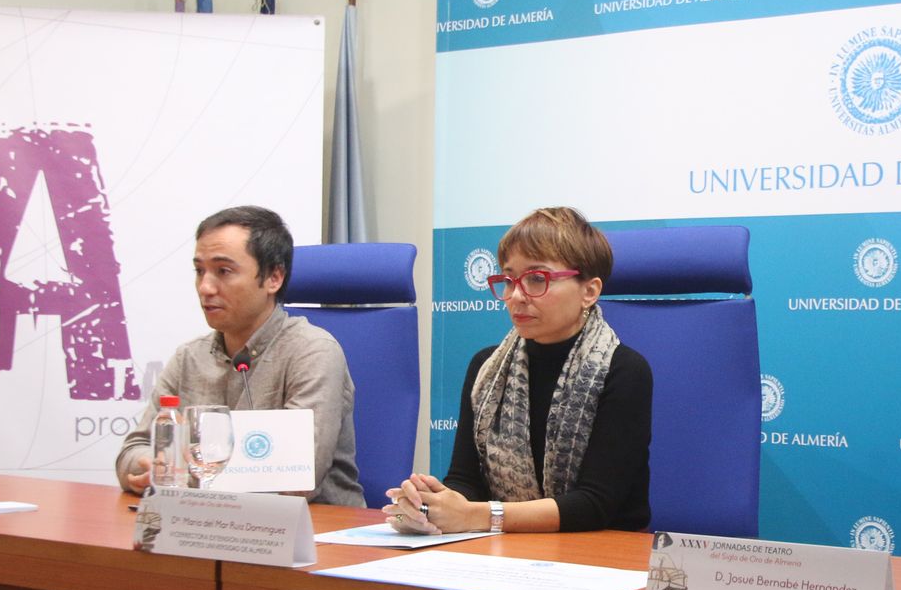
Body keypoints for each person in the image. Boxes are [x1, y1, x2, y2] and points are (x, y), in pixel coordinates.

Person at [386, 207, 651, 535]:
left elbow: (594, 504)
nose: (515, 296)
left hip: (603, 553)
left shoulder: (623, 370)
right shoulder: (487, 369)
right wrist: (434, 505)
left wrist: (477, 516)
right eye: (509, 280)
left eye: (537, 279)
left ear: (589, 291)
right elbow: (467, 482)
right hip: (510, 549)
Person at [115, 205, 363, 505]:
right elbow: (133, 450)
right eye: (199, 271)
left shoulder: (313, 352)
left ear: (274, 277)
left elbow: (298, 482)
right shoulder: (189, 358)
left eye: (224, 271)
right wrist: (147, 466)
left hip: (316, 535)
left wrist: (181, 471)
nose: (205, 287)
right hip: (205, 527)